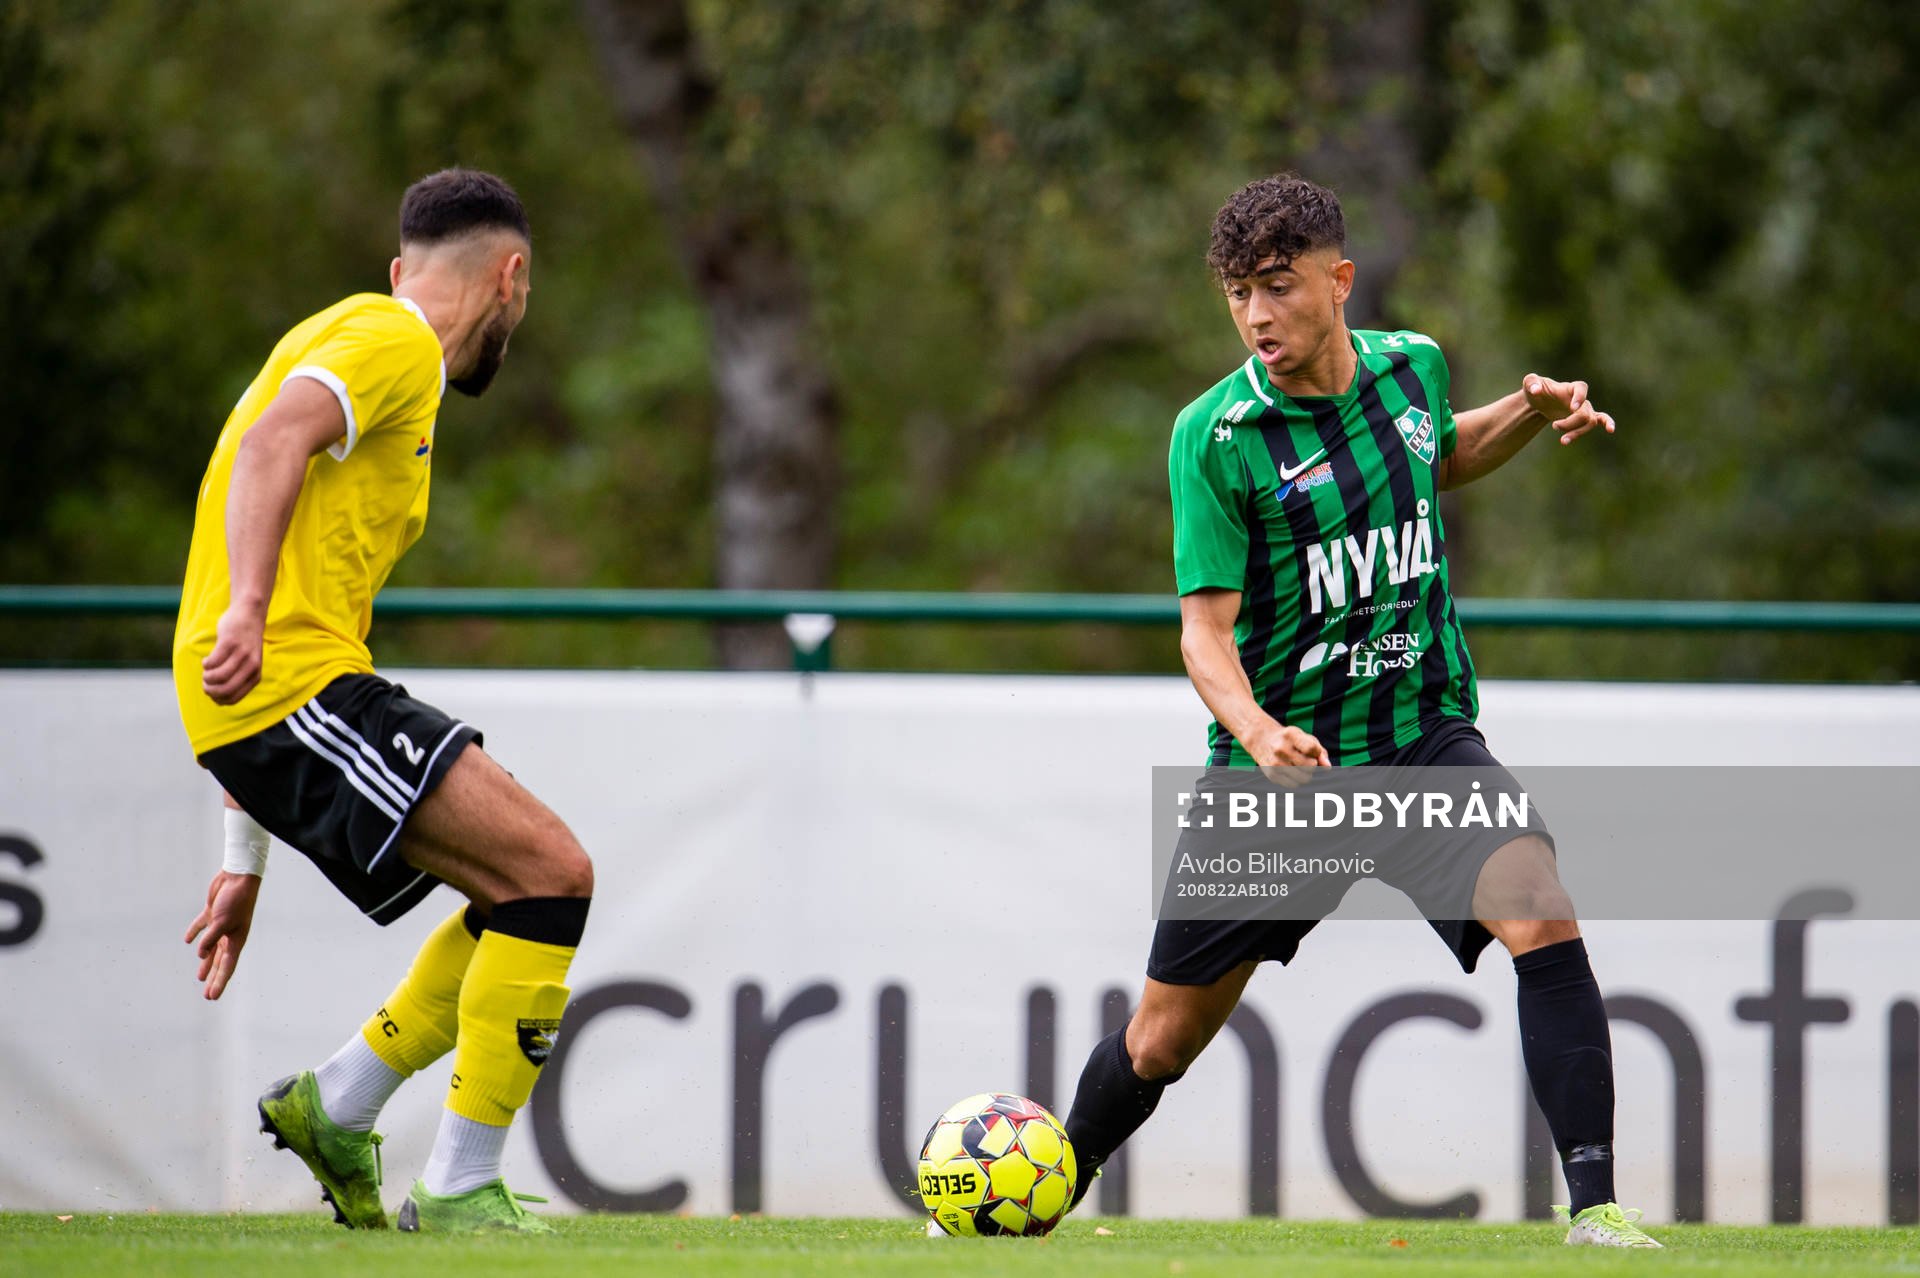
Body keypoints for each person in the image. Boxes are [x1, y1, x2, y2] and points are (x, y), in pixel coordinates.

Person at [1058, 173, 1660, 1248]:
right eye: (1238, 293)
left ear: (1338, 281)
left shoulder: (1412, 366)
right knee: (1161, 1040)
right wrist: (1256, 733)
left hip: (1420, 738)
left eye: (1278, 286)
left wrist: (1526, 410)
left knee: (1538, 904)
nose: (1256, 315)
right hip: (1283, 777)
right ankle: (1039, 1186)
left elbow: (1439, 455)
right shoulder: (1215, 435)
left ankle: (1597, 1212)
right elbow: (1203, 634)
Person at [173, 168, 590, 1235]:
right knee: (552, 871)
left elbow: (276, 497)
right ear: (512, 279)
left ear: (403, 266)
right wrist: (250, 612)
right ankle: (454, 1187)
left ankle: (340, 1105)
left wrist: (242, 857)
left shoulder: (359, 350)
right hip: (290, 683)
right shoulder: (396, 339)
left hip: (282, 693)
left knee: (524, 888)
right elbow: (273, 443)